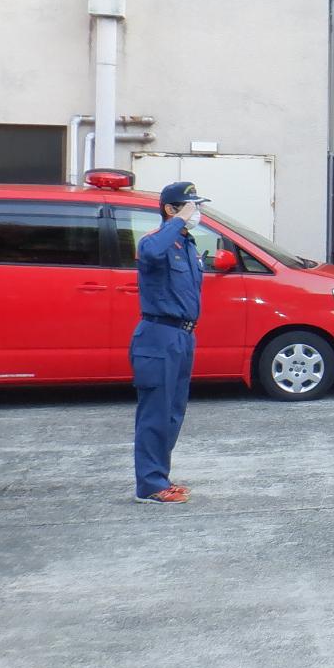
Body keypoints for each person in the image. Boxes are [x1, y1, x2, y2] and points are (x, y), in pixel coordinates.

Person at [131, 180, 210, 504]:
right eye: (190, 207)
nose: (196, 213)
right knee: (155, 413)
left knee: (173, 413)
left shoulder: (186, 245)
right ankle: (149, 485)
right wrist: (177, 221)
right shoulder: (155, 241)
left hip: (182, 335)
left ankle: (159, 476)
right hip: (158, 336)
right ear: (170, 209)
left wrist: (181, 226)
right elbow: (150, 253)